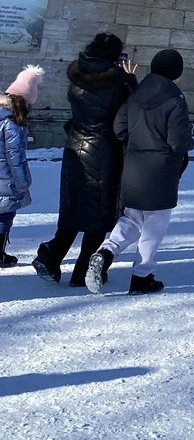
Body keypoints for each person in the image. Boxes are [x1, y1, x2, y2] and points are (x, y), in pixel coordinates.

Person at [34, 32, 137, 288]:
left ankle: (52, 254)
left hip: (74, 147)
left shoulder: (76, 78)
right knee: (98, 214)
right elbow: (131, 112)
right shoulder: (118, 84)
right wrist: (131, 80)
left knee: (73, 207)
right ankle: (82, 271)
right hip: (103, 150)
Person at [86, 49, 191, 296]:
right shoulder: (175, 99)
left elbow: (119, 128)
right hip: (161, 171)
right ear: (177, 72)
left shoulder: (137, 95)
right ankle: (142, 276)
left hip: (133, 168)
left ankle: (106, 251)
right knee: (155, 226)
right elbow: (178, 142)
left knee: (132, 218)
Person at [0, 67, 41, 267]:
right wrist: (23, 184)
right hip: (5, 180)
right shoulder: (12, 123)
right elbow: (15, 158)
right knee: (4, 216)